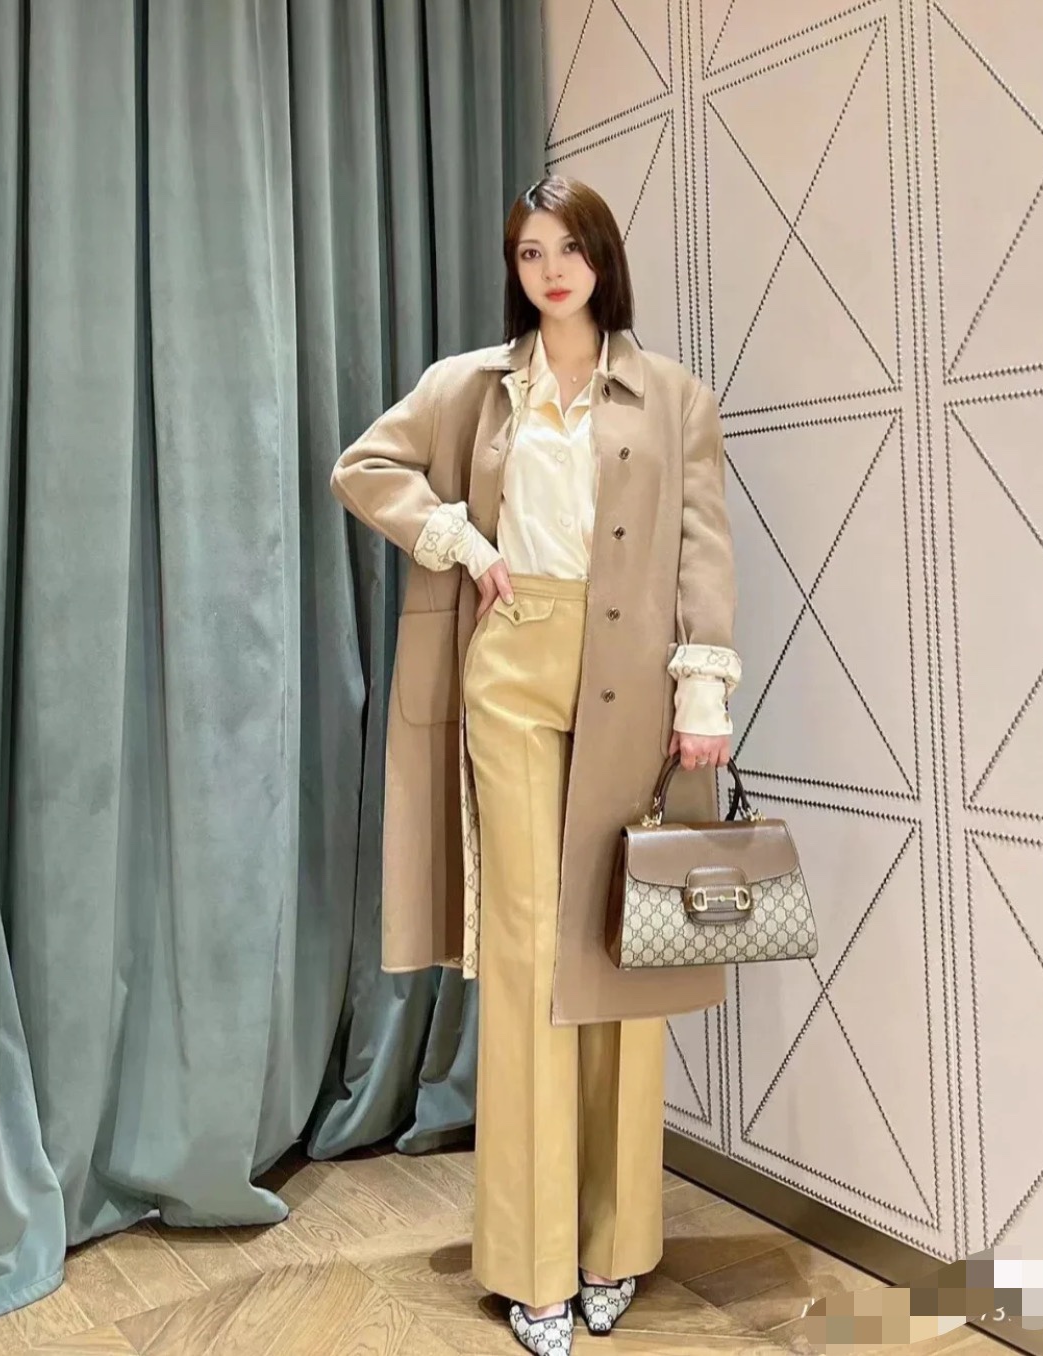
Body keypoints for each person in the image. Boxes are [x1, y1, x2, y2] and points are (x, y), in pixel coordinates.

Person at [330, 175, 741, 1356]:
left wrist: (702, 692)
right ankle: (531, 1266)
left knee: (617, 953)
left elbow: (700, 553)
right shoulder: (471, 386)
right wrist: (461, 541)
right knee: (523, 953)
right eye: (530, 253)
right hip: (509, 669)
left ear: (603, 258)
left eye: (570, 248)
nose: (551, 271)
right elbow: (365, 467)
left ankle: (614, 1247)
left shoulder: (673, 397)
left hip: (633, 681)